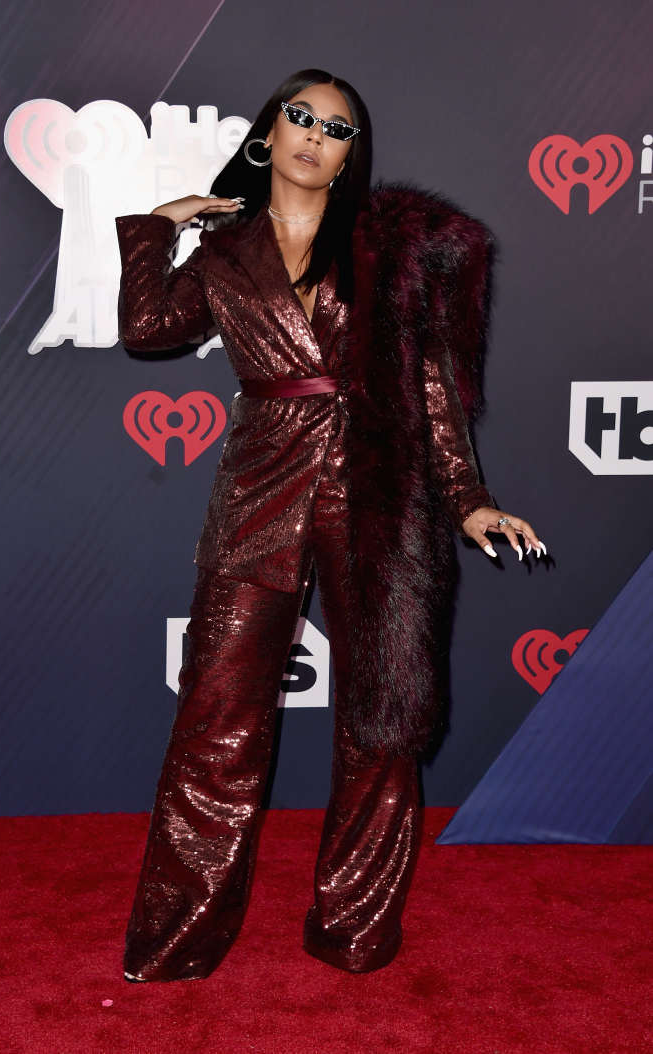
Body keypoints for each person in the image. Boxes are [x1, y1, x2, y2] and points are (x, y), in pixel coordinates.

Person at [114, 68, 546, 981]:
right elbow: (148, 329)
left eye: (337, 128)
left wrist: (467, 498)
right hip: (260, 487)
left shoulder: (383, 246)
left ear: (352, 155)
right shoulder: (227, 256)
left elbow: (428, 382)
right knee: (215, 721)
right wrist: (160, 228)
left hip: (377, 491)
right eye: (300, 116)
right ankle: (178, 936)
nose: (316, 133)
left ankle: (354, 931)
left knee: (378, 723)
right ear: (269, 133)